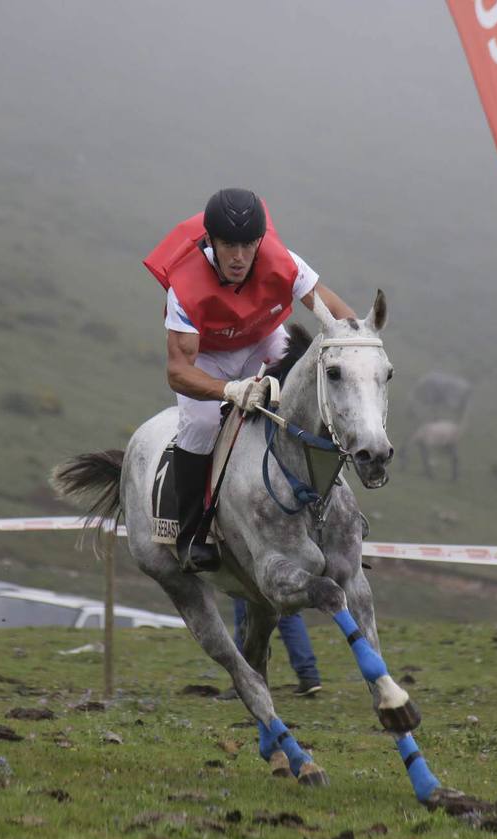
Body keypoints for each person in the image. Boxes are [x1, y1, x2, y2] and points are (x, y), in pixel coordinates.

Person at [144, 187, 357, 574]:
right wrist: (229, 390)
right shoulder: (185, 287)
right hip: (207, 358)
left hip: (262, 340)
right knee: (202, 423)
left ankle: (334, 519)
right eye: (228, 245)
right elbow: (177, 372)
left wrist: (359, 342)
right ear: (211, 240)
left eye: (247, 245)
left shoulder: (284, 262)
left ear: (260, 241)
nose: (239, 257)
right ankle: (193, 534)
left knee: (305, 399)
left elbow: (336, 314)